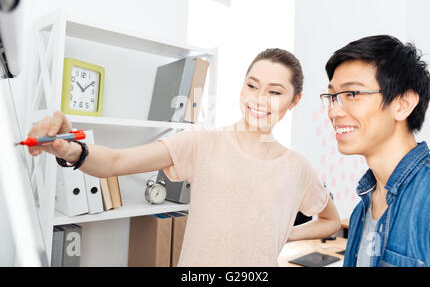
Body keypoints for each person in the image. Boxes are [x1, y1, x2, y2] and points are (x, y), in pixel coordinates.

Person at [28, 48, 341, 267]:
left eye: (275, 92)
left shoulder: (297, 168)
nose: (260, 99)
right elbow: (117, 162)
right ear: (242, 89)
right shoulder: (202, 143)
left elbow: (329, 220)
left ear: (294, 100)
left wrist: (285, 233)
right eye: (252, 86)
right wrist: (73, 150)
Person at [321, 35, 430, 267]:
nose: (334, 112)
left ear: (403, 104)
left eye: (352, 95)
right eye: (332, 97)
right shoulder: (362, 210)